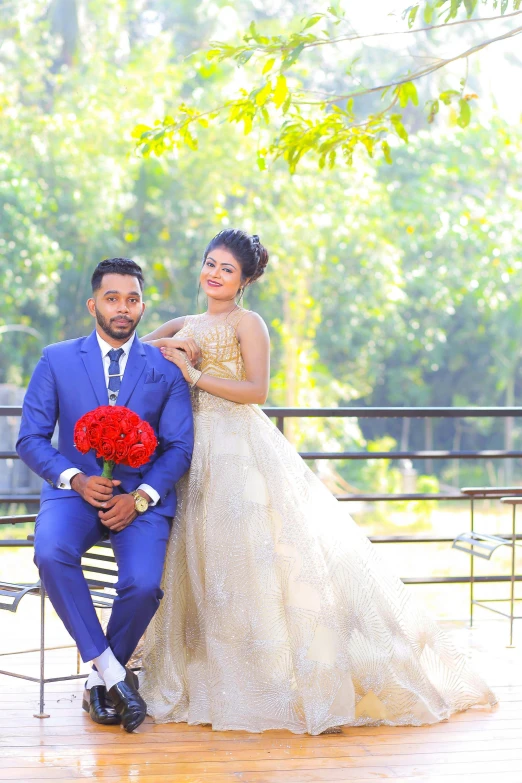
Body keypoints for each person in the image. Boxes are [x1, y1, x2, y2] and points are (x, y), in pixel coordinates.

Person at [140, 229, 496, 735]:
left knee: (246, 560)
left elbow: (255, 390)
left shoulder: (249, 323)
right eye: (210, 263)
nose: (214, 274)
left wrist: (194, 375)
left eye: (226, 269)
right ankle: (210, 675)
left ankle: (268, 677)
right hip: (192, 452)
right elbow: (138, 352)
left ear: (244, 281)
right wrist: (175, 347)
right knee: (200, 558)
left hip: (238, 450)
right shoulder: (185, 322)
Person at [16, 257, 194, 733]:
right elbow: (30, 439)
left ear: (142, 306)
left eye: (132, 299)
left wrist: (140, 498)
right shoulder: (55, 359)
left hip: (139, 501)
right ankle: (116, 675)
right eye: (113, 298)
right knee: (51, 553)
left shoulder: (165, 368)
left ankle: (97, 681)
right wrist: (74, 477)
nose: (123, 308)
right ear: (94, 303)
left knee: (142, 586)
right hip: (73, 495)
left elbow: (179, 446)